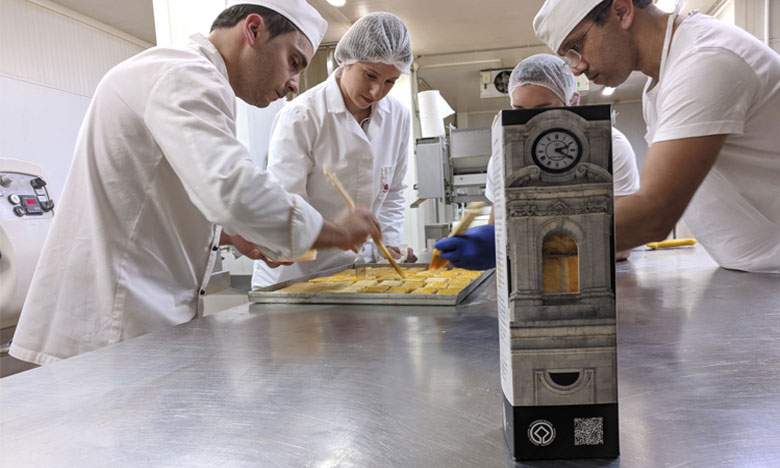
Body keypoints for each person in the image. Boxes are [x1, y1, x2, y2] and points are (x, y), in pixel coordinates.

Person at [10, 0, 382, 366]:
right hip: (113, 327)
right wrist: (338, 232)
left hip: (132, 326)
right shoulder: (184, 73)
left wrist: (229, 235)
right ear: (253, 30)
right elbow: (232, 189)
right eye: (293, 62)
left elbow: (154, 195)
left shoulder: (189, 76)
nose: (293, 85)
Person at [530, 0, 780, 273]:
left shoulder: (705, 58)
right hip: (751, 272)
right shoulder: (658, 84)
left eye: (576, 47)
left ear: (622, 12)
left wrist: (531, 239)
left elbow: (655, 213)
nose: (577, 68)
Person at [252, 12, 416, 288]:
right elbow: (287, 203)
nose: (376, 91)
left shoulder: (398, 116)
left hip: (356, 275)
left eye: (390, 82)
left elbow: (393, 192)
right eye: (370, 75)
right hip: (295, 276)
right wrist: (340, 232)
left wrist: (388, 246)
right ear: (347, 60)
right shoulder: (301, 115)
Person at [434, 53, 641, 270]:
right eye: (520, 111)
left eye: (543, 110)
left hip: (597, 272)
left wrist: (519, 247)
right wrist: (485, 245)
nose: (532, 122)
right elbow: (497, 230)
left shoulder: (609, 146)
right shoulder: (503, 157)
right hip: (529, 275)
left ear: (572, 102)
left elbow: (623, 244)